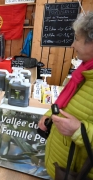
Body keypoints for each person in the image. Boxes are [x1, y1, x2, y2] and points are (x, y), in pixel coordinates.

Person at [38, 12, 93, 179]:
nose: (72, 44)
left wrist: (79, 131)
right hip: (63, 165)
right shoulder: (84, 71)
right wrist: (50, 114)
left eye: (76, 38)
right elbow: (70, 102)